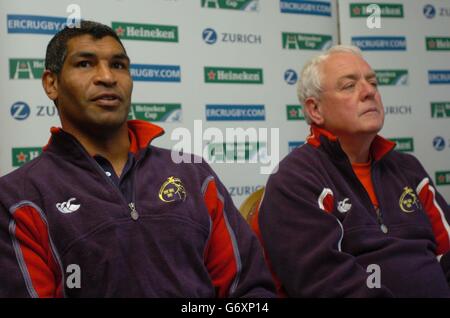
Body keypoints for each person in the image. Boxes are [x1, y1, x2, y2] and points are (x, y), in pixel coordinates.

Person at [0, 21, 275, 298]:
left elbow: (249, 288)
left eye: (119, 65)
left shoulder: (192, 172)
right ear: (52, 84)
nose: (107, 77)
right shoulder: (18, 198)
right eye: (85, 64)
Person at [253, 45, 450, 297]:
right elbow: (329, 287)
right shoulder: (295, 179)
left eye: (373, 82)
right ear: (315, 110)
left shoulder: (408, 168)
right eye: (349, 86)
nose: (369, 92)